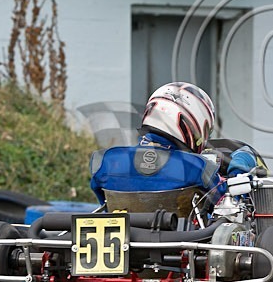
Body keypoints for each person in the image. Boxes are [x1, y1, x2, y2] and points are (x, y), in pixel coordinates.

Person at [89, 82, 260, 206]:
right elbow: (229, 204)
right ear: (192, 125)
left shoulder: (104, 161)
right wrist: (240, 166)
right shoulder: (197, 167)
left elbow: (104, 205)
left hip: (122, 246)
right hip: (177, 249)